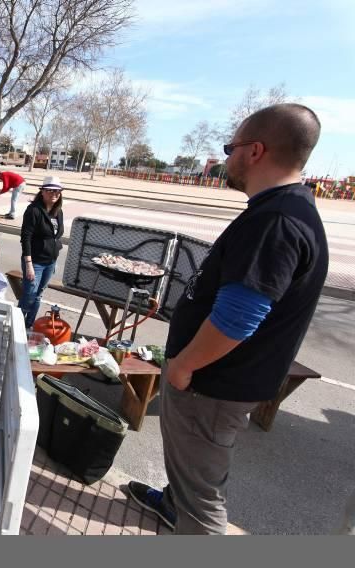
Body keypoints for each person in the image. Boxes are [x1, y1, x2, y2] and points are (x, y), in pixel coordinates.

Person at [126, 104, 328, 534]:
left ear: (254, 151)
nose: (225, 157)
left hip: (212, 387)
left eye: (228, 147)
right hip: (216, 383)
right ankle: (171, 503)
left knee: (203, 503)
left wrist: (183, 366)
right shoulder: (285, 208)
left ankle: (185, 512)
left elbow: (239, 317)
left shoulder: (276, 220)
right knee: (190, 471)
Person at [19, 176, 64, 329]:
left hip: (49, 262)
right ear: (42, 192)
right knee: (29, 295)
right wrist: (29, 264)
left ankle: (28, 325)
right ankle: (17, 323)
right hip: (35, 262)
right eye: (50, 190)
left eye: (57, 191)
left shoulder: (59, 212)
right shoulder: (34, 211)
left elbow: (56, 237)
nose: (54, 193)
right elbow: (25, 238)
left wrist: (54, 260)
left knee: (38, 296)